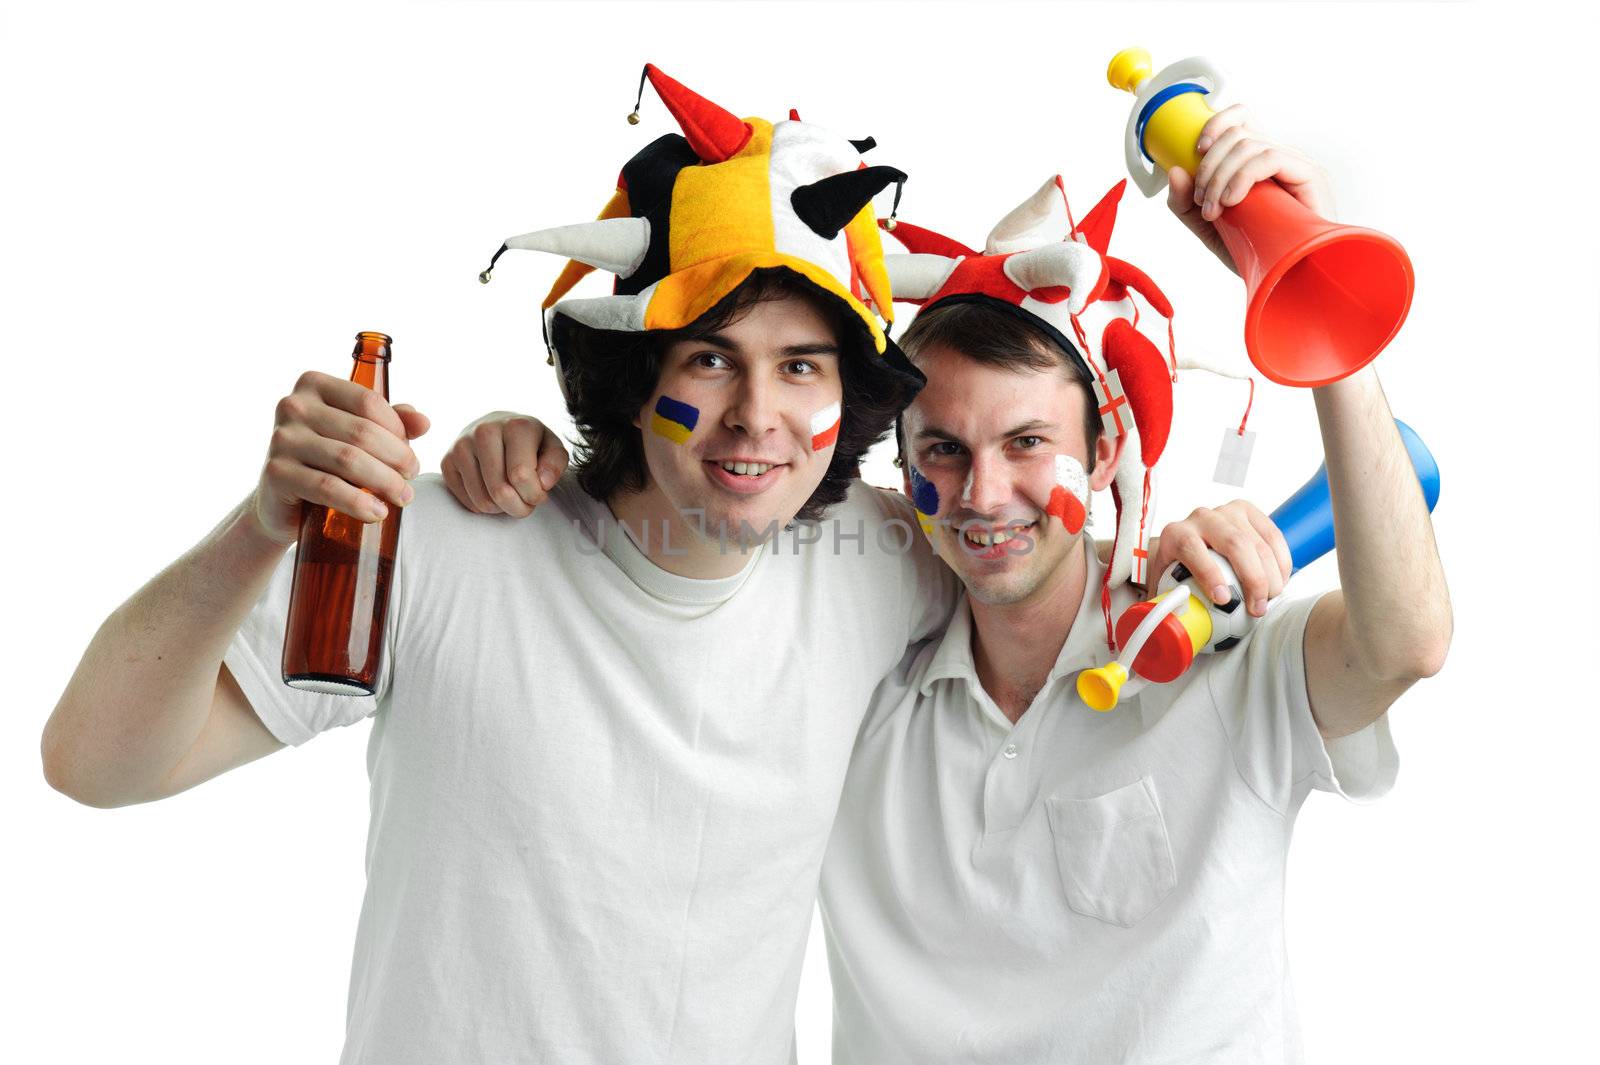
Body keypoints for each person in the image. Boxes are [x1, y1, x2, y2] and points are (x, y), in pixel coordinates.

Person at [443, 108, 1451, 1063]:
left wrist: (1320, 315)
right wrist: (533, 451)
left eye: (1026, 444)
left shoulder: (1215, 636)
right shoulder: (860, 651)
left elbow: (1402, 643)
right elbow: (696, 489)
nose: (981, 493)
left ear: (1105, 458)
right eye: (942, 448)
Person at [41, 68, 960, 1065]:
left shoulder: (884, 564)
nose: (754, 414)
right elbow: (92, 765)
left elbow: (1043, 563)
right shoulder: (441, 540)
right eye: (707, 355)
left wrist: (1149, 540)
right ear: (634, 372)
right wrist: (264, 525)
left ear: (849, 395)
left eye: (800, 366)